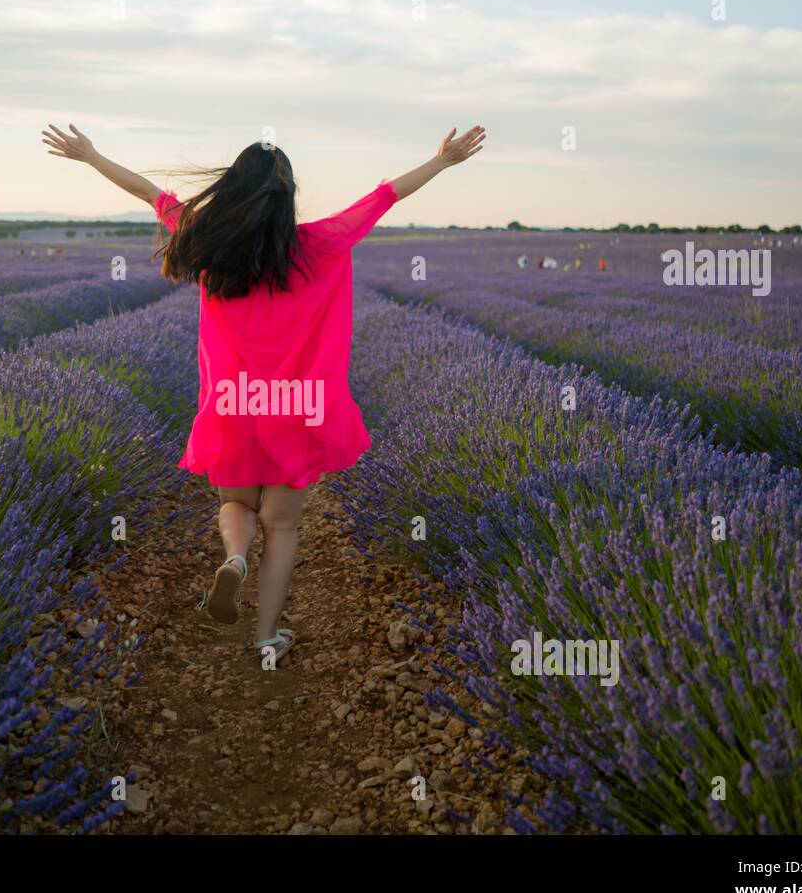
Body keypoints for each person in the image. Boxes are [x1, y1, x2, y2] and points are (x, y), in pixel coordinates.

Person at [41, 122, 485, 664]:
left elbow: (147, 191)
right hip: (296, 409)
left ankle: (233, 559)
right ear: (287, 194)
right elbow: (386, 195)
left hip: (232, 403)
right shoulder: (319, 242)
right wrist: (441, 161)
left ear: (234, 187)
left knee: (235, 502)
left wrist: (91, 156)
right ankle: (266, 636)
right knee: (283, 525)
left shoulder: (205, 234)